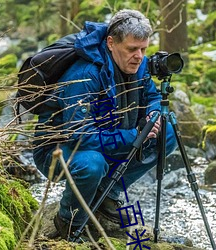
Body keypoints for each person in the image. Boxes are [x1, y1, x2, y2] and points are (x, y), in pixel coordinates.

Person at [33, 9, 177, 241]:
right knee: (92, 164)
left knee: (167, 132)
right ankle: (68, 221)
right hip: (59, 150)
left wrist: (153, 114)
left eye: (144, 49)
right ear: (111, 43)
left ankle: (107, 193)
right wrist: (134, 135)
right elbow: (80, 135)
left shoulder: (137, 64)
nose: (139, 56)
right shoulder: (84, 75)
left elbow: (151, 96)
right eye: (132, 49)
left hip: (109, 136)